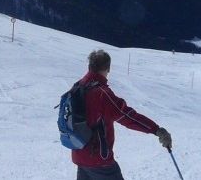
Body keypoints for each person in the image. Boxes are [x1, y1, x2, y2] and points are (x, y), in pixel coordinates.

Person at [72, 50, 172, 180]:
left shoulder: (77, 88)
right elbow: (128, 117)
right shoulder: (103, 94)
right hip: (99, 160)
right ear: (108, 68)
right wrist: (157, 130)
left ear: (89, 66)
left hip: (79, 155)